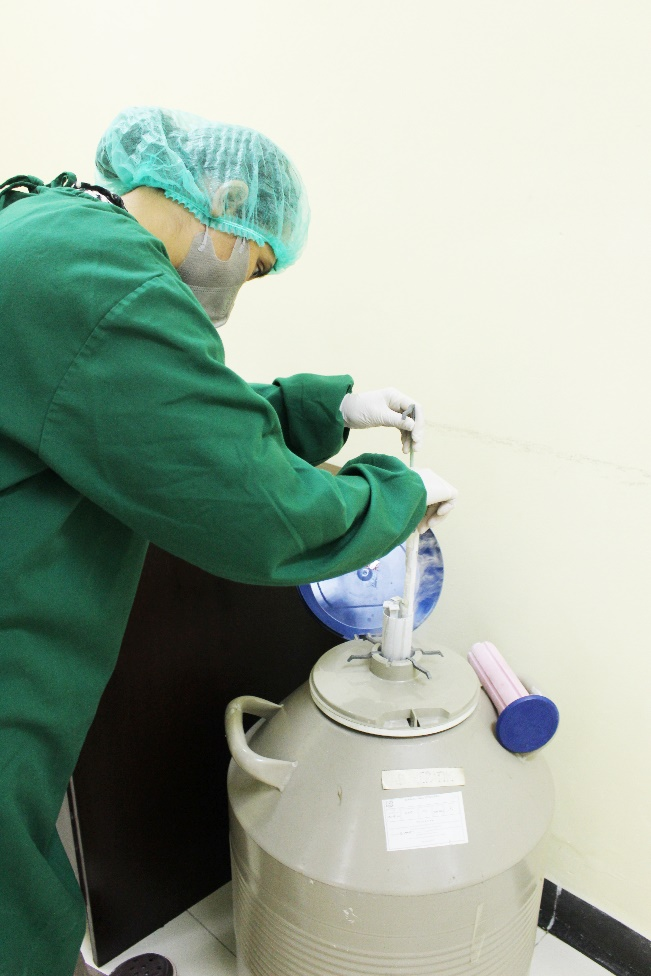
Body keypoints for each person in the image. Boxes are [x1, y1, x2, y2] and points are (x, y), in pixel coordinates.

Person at [0, 107, 457, 976]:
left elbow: (148, 407)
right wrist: (395, 495)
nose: (247, 283)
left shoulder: (58, 227)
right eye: (258, 261)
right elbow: (250, 505)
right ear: (231, 201)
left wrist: (324, 406)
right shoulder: (105, 283)